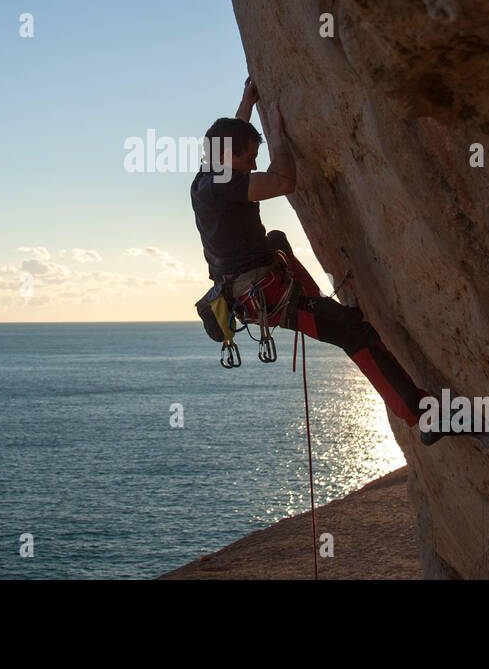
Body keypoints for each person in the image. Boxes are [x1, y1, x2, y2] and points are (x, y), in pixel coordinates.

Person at [191, 76, 451, 446]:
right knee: (352, 331)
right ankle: (421, 416)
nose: (252, 165)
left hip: (250, 290)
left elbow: (228, 140)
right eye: (249, 159)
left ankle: (316, 302)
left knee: (276, 241)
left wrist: (247, 104)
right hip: (265, 295)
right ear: (227, 157)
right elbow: (283, 182)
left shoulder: (206, 176)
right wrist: (278, 138)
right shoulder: (224, 184)